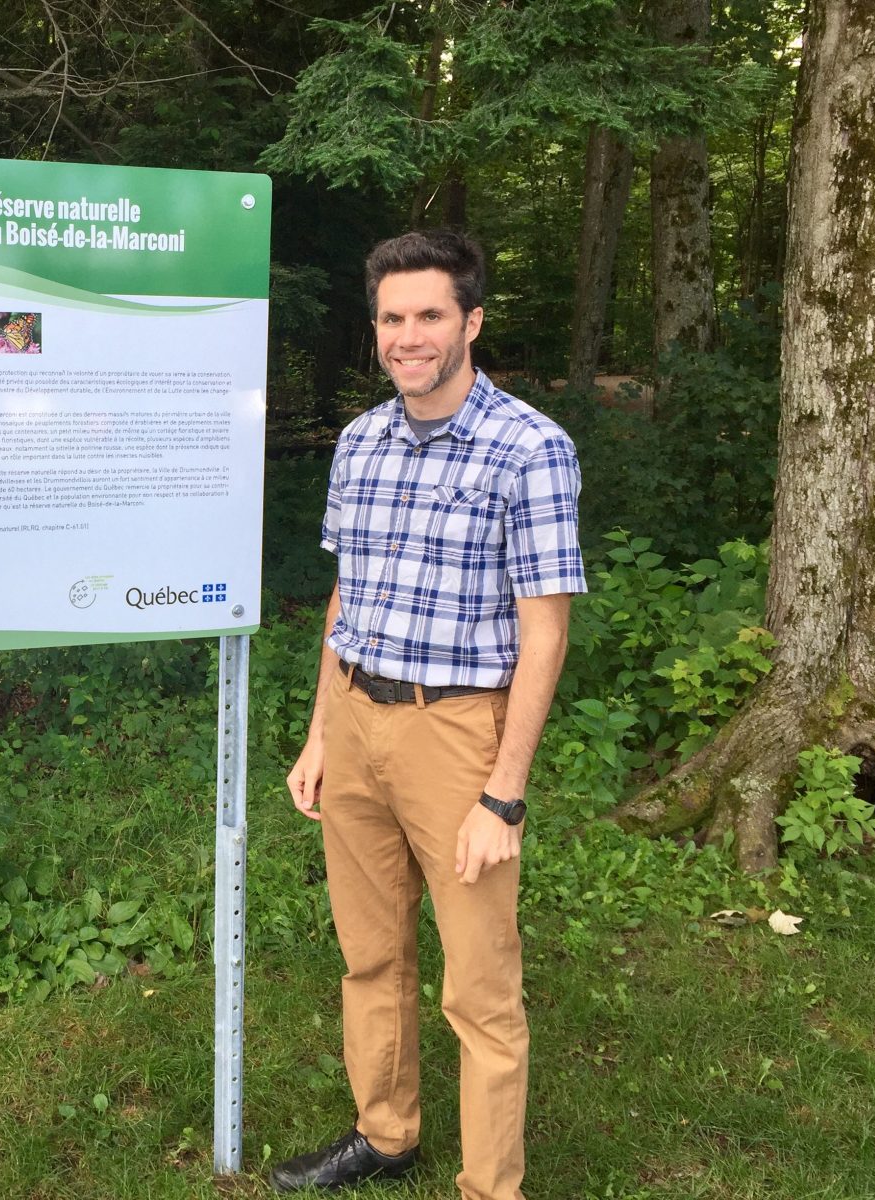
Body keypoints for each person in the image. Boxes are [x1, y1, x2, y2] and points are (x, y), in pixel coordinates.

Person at [271, 230, 585, 1200]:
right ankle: (385, 1131)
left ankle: (492, 1186)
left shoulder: (529, 448)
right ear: (375, 330)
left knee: (479, 987)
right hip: (357, 719)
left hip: (458, 736)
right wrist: (323, 732)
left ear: (471, 322)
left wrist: (504, 795)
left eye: (429, 316)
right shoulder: (361, 443)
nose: (408, 336)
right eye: (392, 318)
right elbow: (342, 598)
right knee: (371, 955)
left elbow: (544, 634)